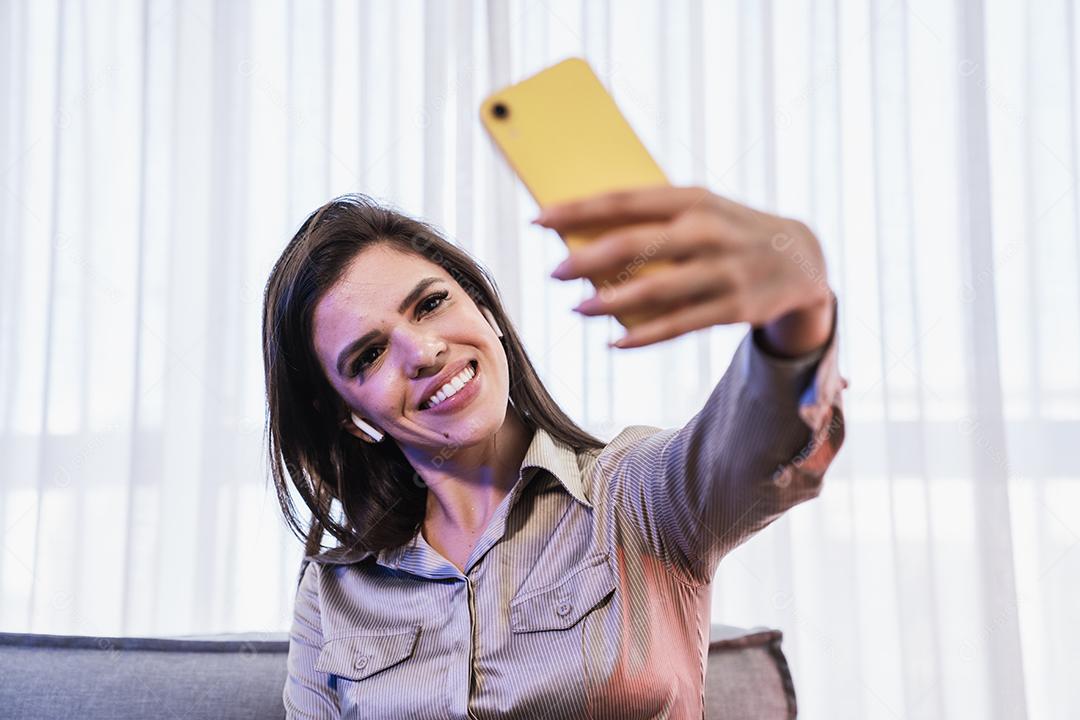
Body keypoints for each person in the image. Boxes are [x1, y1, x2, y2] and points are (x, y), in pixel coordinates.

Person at [263, 185, 847, 719]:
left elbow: (760, 445)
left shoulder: (635, 498)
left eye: (431, 304)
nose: (422, 351)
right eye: (368, 356)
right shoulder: (332, 596)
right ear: (349, 414)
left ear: (482, 308)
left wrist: (799, 311)